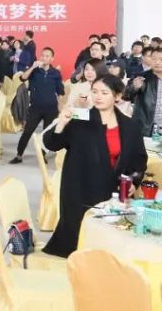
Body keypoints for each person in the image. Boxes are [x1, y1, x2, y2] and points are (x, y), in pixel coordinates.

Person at [42, 75, 148, 257]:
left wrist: (133, 181)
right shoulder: (80, 118)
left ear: (117, 96)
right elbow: (52, 144)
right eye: (95, 92)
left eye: (104, 93)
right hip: (81, 188)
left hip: (113, 192)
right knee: (78, 241)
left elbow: (139, 159)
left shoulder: (130, 125)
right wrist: (62, 123)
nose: (98, 97)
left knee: (110, 245)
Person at [10, 48, 65, 164]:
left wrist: (60, 106)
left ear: (52, 59)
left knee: (46, 133)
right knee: (27, 131)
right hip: (35, 107)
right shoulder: (35, 71)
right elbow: (22, 78)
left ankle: (42, 155)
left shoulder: (55, 73)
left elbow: (60, 91)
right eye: (43, 55)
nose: (44, 58)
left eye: (47, 56)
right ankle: (19, 155)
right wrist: (32, 67)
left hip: (51, 108)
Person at [124, 46, 162, 136]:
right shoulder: (141, 77)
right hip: (146, 128)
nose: (157, 62)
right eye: (154, 59)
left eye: (161, 59)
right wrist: (134, 87)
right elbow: (126, 96)